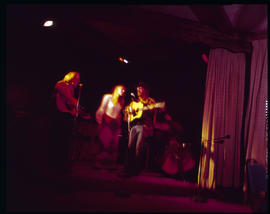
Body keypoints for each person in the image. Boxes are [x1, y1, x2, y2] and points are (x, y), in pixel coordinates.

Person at [120, 81, 163, 177]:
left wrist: (153, 108)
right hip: (134, 126)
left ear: (146, 90)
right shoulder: (135, 101)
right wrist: (129, 111)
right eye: (137, 88)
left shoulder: (150, 101)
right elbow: (125, 112)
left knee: (138, 149)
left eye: (140, 88)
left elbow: (155, 112)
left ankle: (135, 171)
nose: (138, 89)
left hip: (144, 127)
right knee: (130, 147)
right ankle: (126, 169)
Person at [49, 71, 81, 173]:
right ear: (71, 78)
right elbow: (69, 99)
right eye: (77, 79)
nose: (78, 81)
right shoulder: (62, 84)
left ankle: (62, 164)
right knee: (58, 141)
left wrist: (75, 110)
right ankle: (55, 165)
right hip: (58, 116)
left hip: (64, 116)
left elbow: (69, 103)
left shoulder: (70, 89)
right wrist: (74, 102)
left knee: (65, 142)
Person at [95, 84, 126, 169]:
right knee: (105, 143)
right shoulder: (108, 97)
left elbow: (119, 114)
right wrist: (100, 122)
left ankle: (110, 164)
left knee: (114, 145)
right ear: (116, 89)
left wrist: (119, 125)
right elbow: (101, 109)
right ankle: (99, 163)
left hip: (115, 124)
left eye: (124, 90)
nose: (123, 91)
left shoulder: (121, 101)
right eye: (122, 89)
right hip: (106, 122)